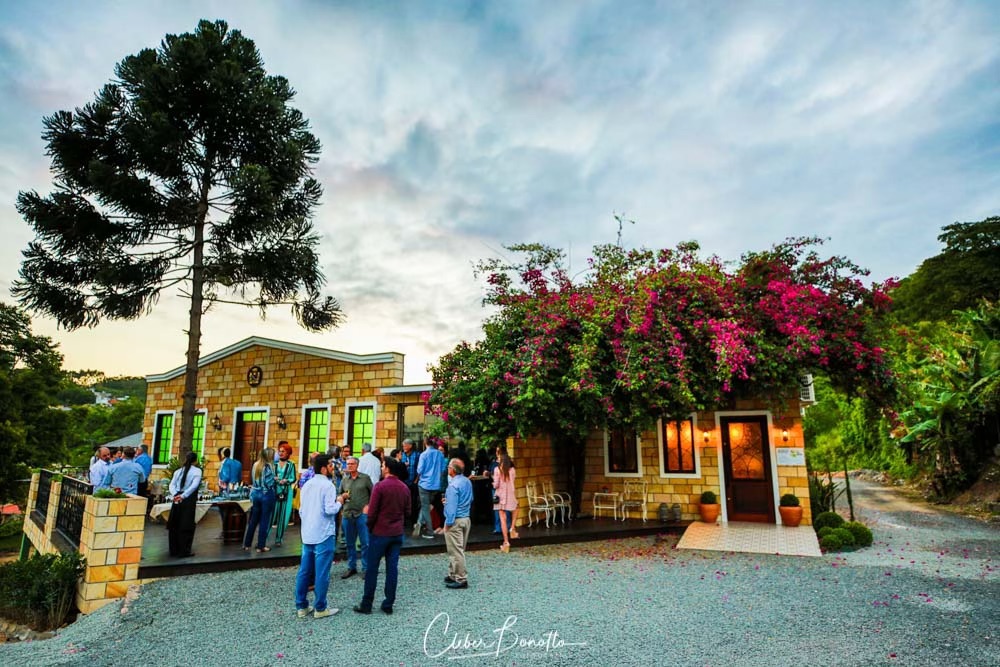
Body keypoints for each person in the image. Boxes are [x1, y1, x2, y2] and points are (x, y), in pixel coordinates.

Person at [354, 457, 410, 615]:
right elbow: (408, 512)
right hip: (396, 532)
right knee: (392, 569)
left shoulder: (380, 486)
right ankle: (388, 603)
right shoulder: (404, 488)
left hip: (380, 532)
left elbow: (372, 512)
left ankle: (367, 603)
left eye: (383, 465)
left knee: (372, 568)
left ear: (387, 468)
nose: (381, 468)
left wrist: (370, 526)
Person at [294, 454, 346, 619]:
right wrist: (340, 501)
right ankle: (320, 607)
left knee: (304, 571)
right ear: (323, 468)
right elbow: (330, 510)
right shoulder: (328, 486)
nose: (332, 468)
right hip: (323, 533)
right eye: (330, 465)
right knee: (322, 572)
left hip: (308, 532)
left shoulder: (307, 484)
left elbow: (301, 510)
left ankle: (301, 605)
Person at [339, 456, 373, 579]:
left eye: (352, 464)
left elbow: (373, 494)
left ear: (357, 465)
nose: (350, 466)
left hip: (361, 515)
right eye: (348, 464)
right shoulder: (344, 480)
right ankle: (351, 567)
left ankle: (366, 568)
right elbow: (339, 495)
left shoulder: (365, 478)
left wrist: (368, 506)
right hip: (348, 514)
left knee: (365, 543)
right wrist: (342, 497)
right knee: (349, 543)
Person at [443, 459, 473, 589]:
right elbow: (471, 499)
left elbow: (451, 508)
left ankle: (461, 578)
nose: (447, 468)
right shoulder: (467, 481)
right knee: (459, 548)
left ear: (453, 470)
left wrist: (448, 522)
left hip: (455, 520)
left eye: (449, 466)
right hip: (466, 518)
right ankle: (453, 574)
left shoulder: (453, 485)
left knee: (455, 551)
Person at [167, 452, 201, 558]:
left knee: (174, 524)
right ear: (195, 460)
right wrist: (183, 496)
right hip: (188, 499)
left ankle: (173, 549)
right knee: (186, 524)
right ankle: (184, 550)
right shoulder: (197, 471)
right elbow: (194, 486)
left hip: (176, 498)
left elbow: (172, 484)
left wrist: (175, 494)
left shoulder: (178, 471)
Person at [243, 447, 277, 553]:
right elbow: (268, 483)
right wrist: (275, 479)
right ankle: (261, 546)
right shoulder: (268, 466)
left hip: (255, 494)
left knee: (253, 520)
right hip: (266, 494)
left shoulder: (255, 464)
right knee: (264, 521)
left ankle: (247, 544)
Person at [414, 438, 446, 539]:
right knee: (426, 506)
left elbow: (419, 470)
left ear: (425, 444)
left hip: (424, 484)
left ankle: (429, 531)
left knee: (425, 507)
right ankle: (419, 522)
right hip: (436, 485)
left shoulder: (423, 454)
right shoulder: (440, 454)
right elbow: (443, 469)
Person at [493, 448, 520, 552]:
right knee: (516, 507)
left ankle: (506, 542)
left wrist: (493, 482)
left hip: (500, 497)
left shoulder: (497, 470)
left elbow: (496, 485)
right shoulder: (512, 470)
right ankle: (512, 528)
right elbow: (513, 480)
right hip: (511, 495)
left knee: (502, 519)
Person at [273, 441, 297, 547]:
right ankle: (264, 538)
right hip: (275, 491)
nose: (281, 453)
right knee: (272, 515)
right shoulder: (274, 465)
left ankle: (278, 539)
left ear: (288, 453)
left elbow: (293, 478)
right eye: (280, 451)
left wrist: (286, 480)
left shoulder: (291, 465)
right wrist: (275, 479)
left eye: (283, 451)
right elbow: (270, 476)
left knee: (283, 515)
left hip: (286, 492)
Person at [400, 439, 420, 528]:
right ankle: (404, 521)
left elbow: (420, 468)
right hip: (404, 482)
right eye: (403, 446)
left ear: (410, 446)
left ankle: (413, 521)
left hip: (413, 482)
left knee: (413, 502)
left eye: (405, 445)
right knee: (403, 502)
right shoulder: (402, 455)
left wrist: (416, 480)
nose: (403, 447)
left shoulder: (417, 455)